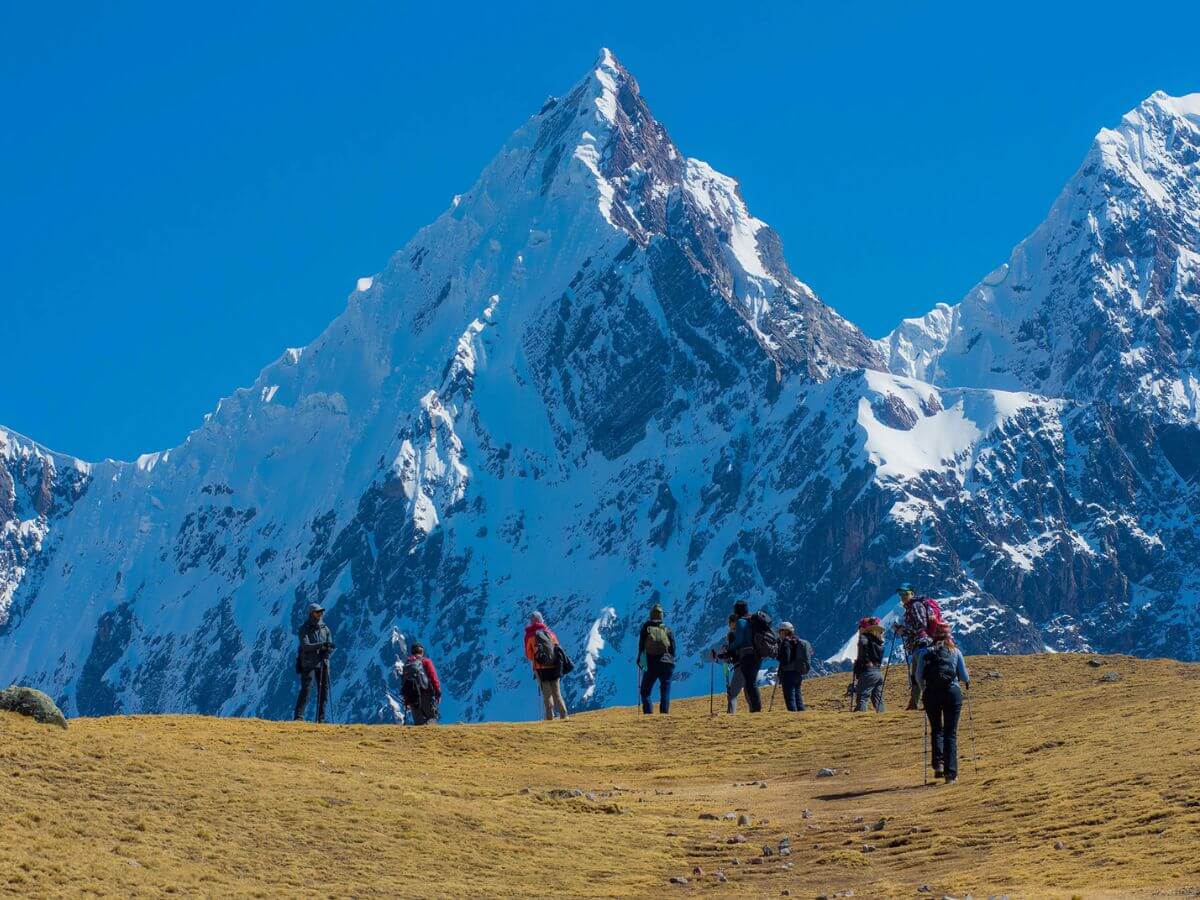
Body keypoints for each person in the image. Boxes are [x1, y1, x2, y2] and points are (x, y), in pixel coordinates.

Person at [914, 622, 970, 783]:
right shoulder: (955, 652)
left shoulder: (924, 652)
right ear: (949, 636)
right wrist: (965, 681)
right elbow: (964, 676)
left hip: (931, 694)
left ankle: (938, 764)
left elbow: (918, 676)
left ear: (933, 635)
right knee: (950, 734)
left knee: (936, 729)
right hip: (952, 692)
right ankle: (950, 774)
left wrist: (925, 688)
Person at [892, 583, 942, 709]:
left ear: (912, 593)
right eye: (901, 594)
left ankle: (929, 702)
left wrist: (903, 630)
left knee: (920, 676)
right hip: (918, 645)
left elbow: (921, 625)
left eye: (906, 593)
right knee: (916, 676)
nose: (903, 596)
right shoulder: (910, 607)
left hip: (922, 644)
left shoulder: (915, 605)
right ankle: (913, 704)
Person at [293, 602, 335, 723]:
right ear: (311, 614)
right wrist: (322, 645)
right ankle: (299, 716)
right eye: (318, 612)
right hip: (309, 664)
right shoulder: (304, 629)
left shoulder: (325, 629)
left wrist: (327, 649)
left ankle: (321, 719)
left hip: (323, 663)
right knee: (306, 689)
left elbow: (330, 645)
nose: (320, 614)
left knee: (324, 691)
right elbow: (305, 646)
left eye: (321, 612)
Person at [524, 611, 569, 720]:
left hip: (541, 669)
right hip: (554, 667)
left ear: (531, 622)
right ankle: (564, 715)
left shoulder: (529, 636)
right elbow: (557, 648)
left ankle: (549, 718)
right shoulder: (551, 633)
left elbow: (529, 655)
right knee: (557, 693)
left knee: (547, 694)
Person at [637, 604, 676, 714]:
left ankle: (648, 715)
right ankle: (664, 716)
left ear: (651, 615)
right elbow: (673, 649)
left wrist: (640, 661)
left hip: (651, 663)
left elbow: (641, 647)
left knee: (645, 692)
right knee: (665, 691)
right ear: (661, 616)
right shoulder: (667, 630)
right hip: (667, 664)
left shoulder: (646, 628)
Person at [727, 600, 762, 713]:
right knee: (750, 683)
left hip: (747, 655)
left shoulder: (741, 622)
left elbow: (739, 641)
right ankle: (755, 709)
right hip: (757, 655)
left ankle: (756, 710)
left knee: (749, 684)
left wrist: (728, 648)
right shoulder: (752, 620)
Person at [401, 642, 442, 725]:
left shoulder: (407, 664)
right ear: (422, 652)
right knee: (432, 718)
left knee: (418, 724)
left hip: (412, 698)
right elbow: (433, 677)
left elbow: (404, 683)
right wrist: (438, 693)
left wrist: (407, 700)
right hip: (426, 694)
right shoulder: (426, 662)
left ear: (412, 652)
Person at [710, 615, 745, 714]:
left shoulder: (733, 635)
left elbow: (733, 652)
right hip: (750, 665)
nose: (729, 625)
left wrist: (723, 655)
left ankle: (731, 715)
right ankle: (755, 714)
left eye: (730, 622)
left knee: (732, 693)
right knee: (749, 691)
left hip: (740, 666)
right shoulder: (745, 633)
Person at [775, 622, 812, 712]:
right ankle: (801, 716)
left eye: (780, 631)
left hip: (788, 674)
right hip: (798, 673)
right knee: (798, 696)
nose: (779, 634)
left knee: (790, 698)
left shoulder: (786, 642)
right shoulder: (797, 641)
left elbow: (786, 659)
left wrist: (779, 656)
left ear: (784, 631)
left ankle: (793, 718)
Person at [852, 616, 886, 713]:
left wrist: (861, 664)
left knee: (862, 697)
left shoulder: (864, 638)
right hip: (878, 673)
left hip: (868, 673)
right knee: (878, 698)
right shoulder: (879, 642)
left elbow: (862, 653)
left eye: (860, 627)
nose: (859, 629)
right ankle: (883, 718)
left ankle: (859, 719)